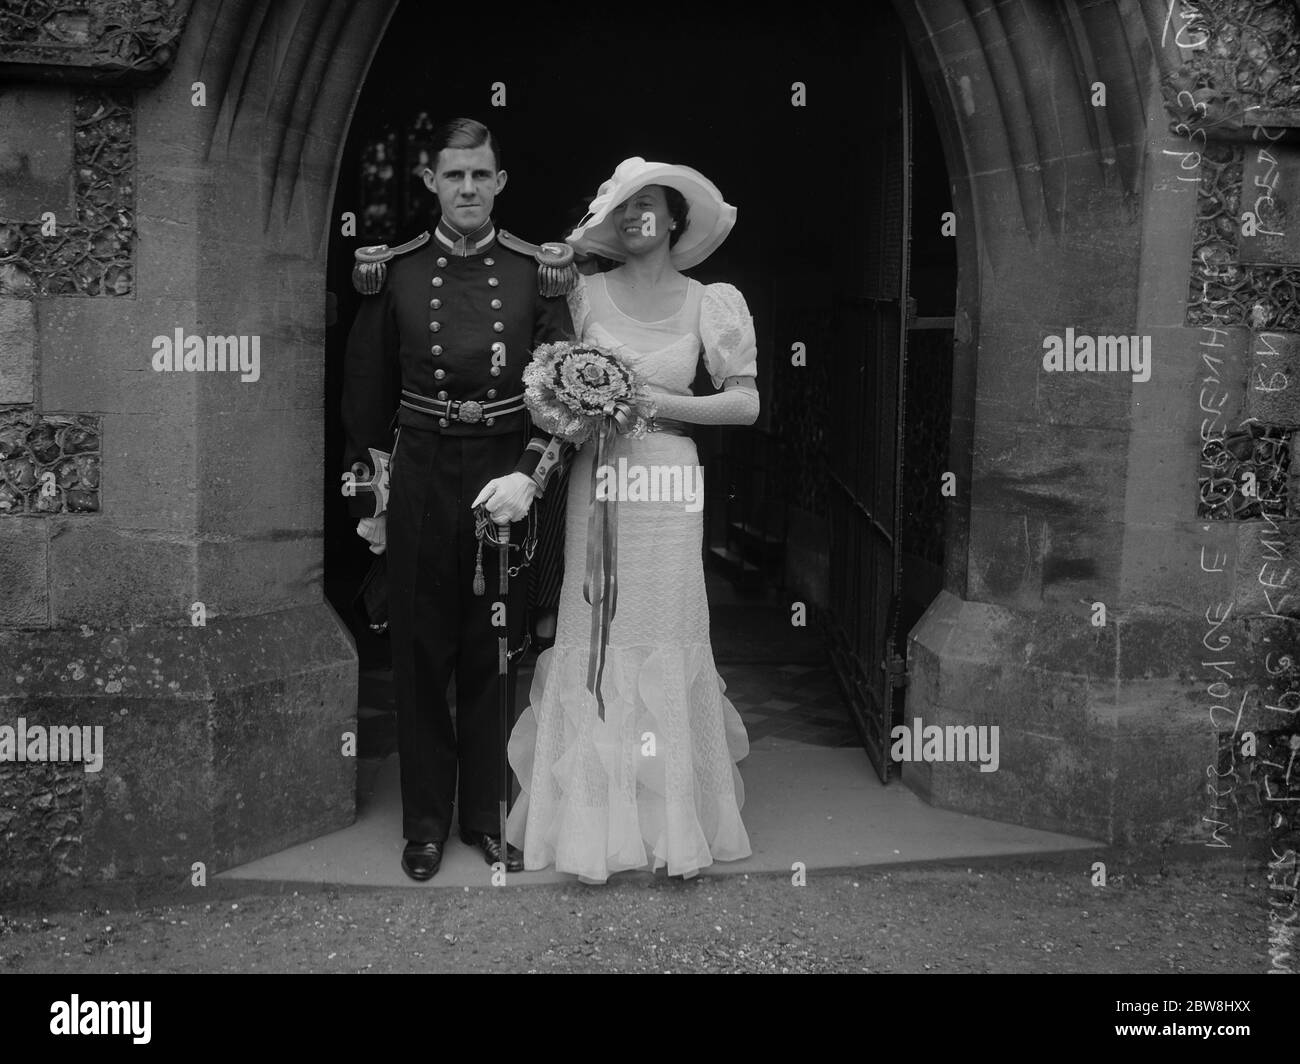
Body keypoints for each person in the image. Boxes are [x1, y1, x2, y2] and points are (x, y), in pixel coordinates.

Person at [506, 157, 759, 883]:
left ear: (675, 218)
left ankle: (673, 823)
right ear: (613, 220)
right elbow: (552, 400)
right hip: (601, 479)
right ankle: (590, 822)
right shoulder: (583, 298)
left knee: (669, 630)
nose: (638, 214)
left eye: (652, 203)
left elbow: (744, 403)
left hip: (672, 482)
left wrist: (642, 399)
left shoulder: (712, 301)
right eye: (625, 205)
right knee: (598, 631)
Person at [341, 118, 574, 881]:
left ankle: (484, 815)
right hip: (422, 472)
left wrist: (530, 475)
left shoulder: (536, 270)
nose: (468, 188)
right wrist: (377, 495)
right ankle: (425, 823)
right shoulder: (397, 270)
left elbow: (564, 392)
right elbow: (365, 392)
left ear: (500, 182)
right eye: (453, 176)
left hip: (502, 473)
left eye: (481, 175)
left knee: (493, 650)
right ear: (431, 183)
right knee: (417, 652)